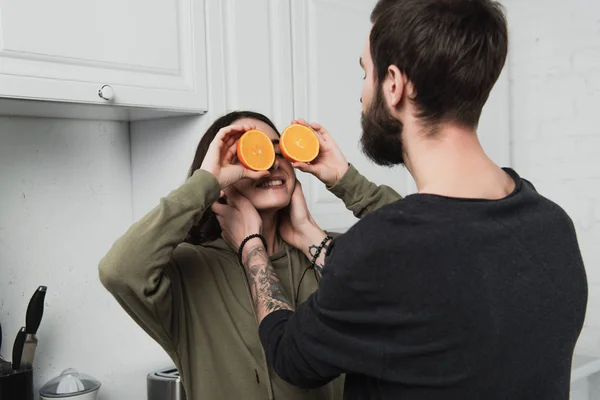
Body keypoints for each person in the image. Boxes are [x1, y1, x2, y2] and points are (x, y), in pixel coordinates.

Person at [217, 1, 589, 399]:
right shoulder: (553, 226)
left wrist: (251, 246)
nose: (362, 95)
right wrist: (316, 222)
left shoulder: (387, 247)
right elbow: (414, 283)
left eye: (365, 73)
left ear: (394, 84)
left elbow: (291, 355)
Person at [98, 110, 401, 400]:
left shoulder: (329, 252)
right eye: (247, 154)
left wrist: (344, 180)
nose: (268, 164)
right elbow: (119, 270)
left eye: (277, 150)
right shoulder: (189, 271)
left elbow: (418, 251)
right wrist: (205, 183)